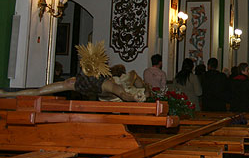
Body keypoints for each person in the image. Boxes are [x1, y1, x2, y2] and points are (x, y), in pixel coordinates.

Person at [0, 41, 142, 102]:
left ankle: (6, 94)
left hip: (98, 90)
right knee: (40, 91)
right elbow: (124, 95)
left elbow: (124, 94)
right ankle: (6, 94)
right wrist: (133, 98)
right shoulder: (103, 84)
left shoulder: (105, 84)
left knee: (40, 91)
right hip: (93, 87)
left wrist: (133, 98)